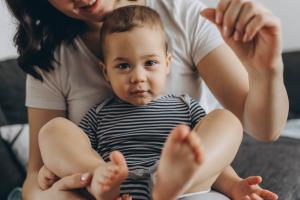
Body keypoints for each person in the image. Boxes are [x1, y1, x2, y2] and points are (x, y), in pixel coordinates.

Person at [4, 0, 288, 199]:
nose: (138, 77)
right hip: (104, 184)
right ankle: (107, 179)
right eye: (123, 66)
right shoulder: (51, 55)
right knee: (53, 131)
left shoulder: (183, 16)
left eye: (150, 63)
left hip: (185, 183)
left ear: (168, 62)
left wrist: (266, 71)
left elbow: (261, 130)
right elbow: (41, 171)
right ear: (105, 71)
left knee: (226, 121)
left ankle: (173, 182)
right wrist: (60, 181)